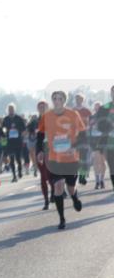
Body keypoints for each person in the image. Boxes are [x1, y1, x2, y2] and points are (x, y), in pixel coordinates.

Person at [36, 91, 86, 230]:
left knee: (70, 188)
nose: (57, 101)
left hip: (70, 157)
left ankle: (75, 198)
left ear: (64, 100)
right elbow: (40, 136)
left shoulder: (73, 114)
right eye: (54, 99)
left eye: (60, 99)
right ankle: (62, 219)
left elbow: (82, 134)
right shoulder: (47, 116)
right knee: (58, 186)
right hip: (54, 158)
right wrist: (40, 151)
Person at [1, 104, 26, 182]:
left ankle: (19, 170)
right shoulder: (5, 119)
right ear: (7, 110)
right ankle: (14, 176)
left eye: (12, 109)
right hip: (9, 142)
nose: (11, 111)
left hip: (18, 141)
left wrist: (20, 133)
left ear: (14, 110)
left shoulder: (18, 118)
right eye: (9, 109)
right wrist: (5, 133)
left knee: (18, 158)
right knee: (11, 159)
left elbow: (24, 129)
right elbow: (3, 130)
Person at [73, 94, 93, 186]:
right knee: (75, 158)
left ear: (83, 100)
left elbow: (92, 122)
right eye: (77, 99)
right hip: (74, 137)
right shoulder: (72, 110)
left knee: (83, 157)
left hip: (84, 136)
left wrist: (88, 127)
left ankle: (82, 176)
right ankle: (75, 175)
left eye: (80, 99)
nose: (78, 100)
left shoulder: (87, 111)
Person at [89, 103, 107, 190]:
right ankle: (97, 181)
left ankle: (102, 180)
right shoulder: (91, 117)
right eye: (96, 107)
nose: (97, 109)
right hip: (94, 141)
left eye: (99, 107)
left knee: (102, 162)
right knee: (96, 162)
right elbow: (88, 130)